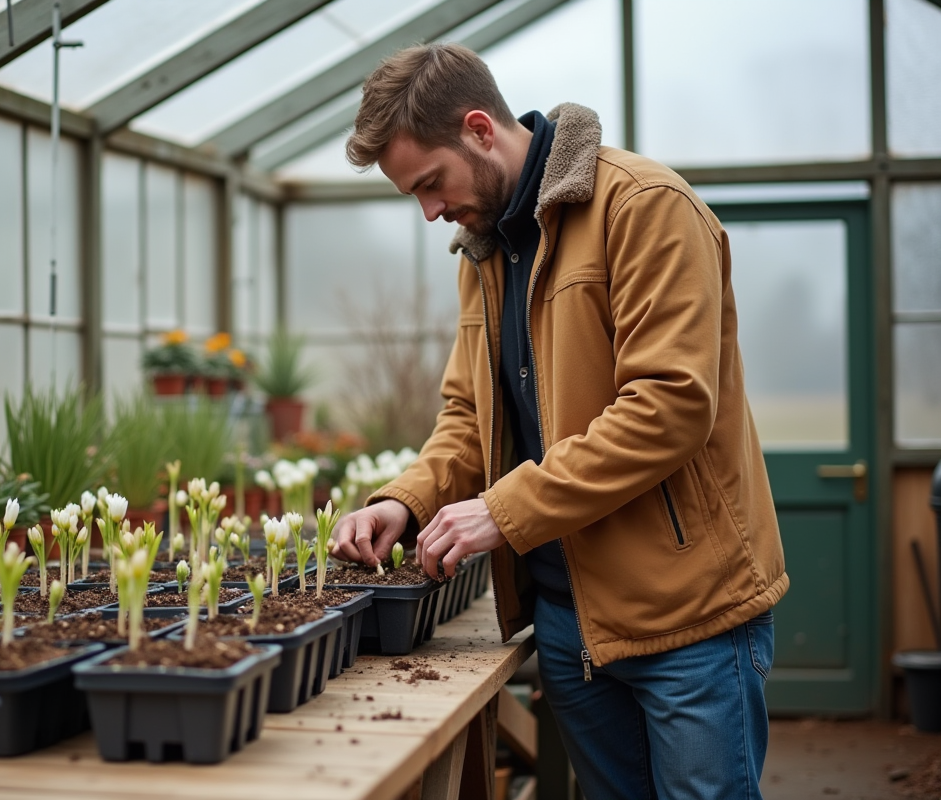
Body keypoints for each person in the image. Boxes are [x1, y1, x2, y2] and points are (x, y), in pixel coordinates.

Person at [330, 43, 787, 800]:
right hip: (570, 621)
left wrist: (502, 512)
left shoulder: (643, 206)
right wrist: (400, 502)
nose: (430, 210)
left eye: (429, 183)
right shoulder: (483, 252)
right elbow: (469, 421)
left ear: (480, 129)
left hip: (686, 617)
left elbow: (668, 406)